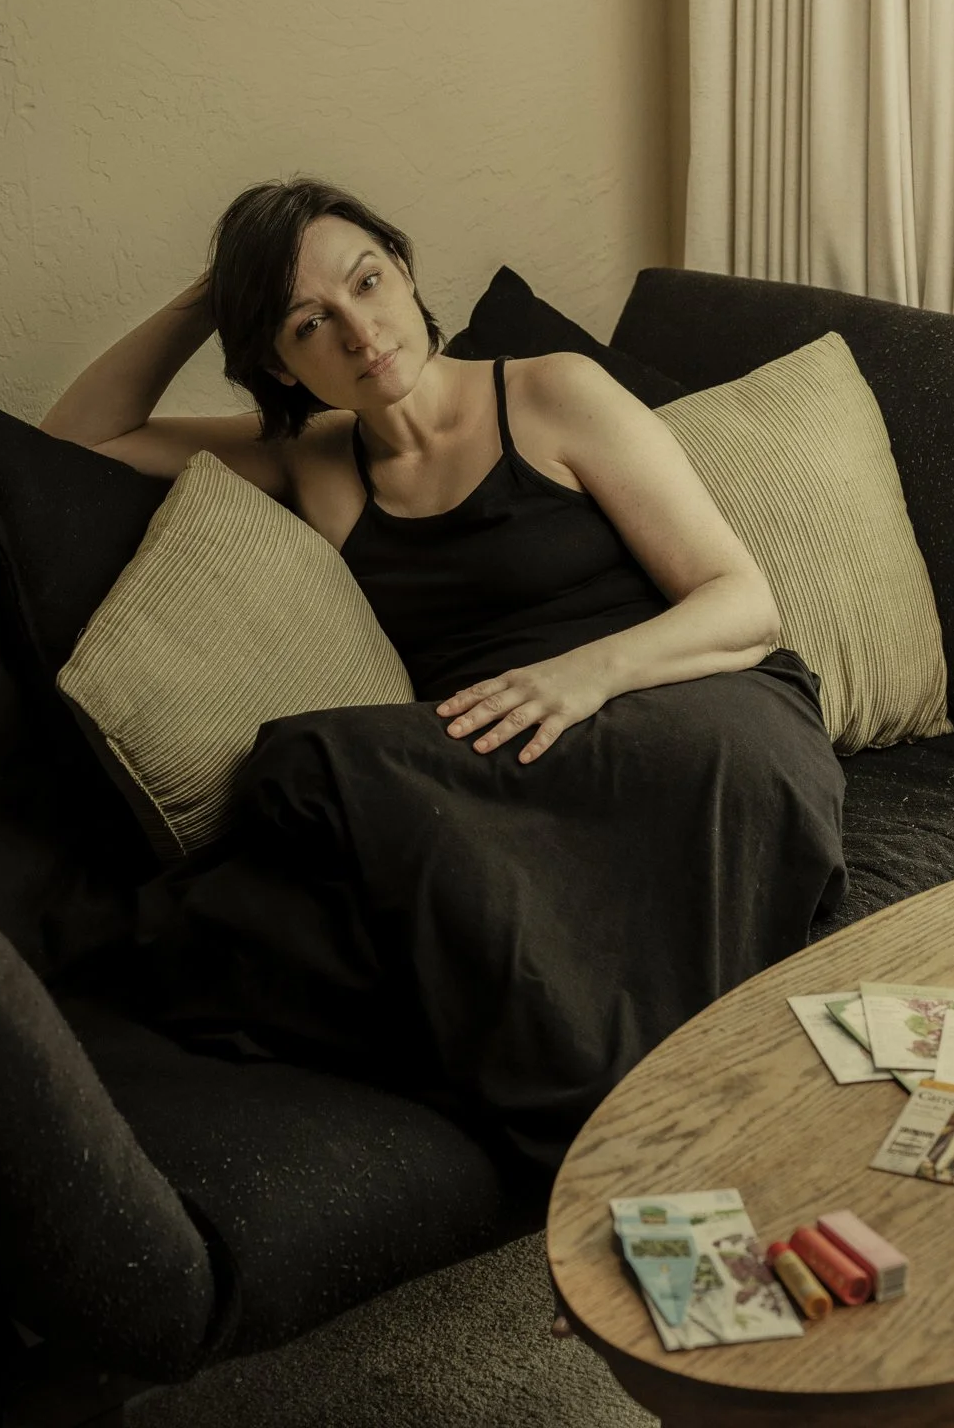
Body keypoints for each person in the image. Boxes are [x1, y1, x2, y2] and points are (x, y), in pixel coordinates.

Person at [42, 178, 846, 1165]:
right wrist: (215, 293)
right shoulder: (313, 462)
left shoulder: (550, 391)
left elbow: (742, 602)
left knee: (332, 776)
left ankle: (601, 1079)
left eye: (367, 281)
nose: (358, 329)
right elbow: (78, 439)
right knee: (310, 774)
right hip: (498, 765)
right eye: (308, 322)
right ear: (275, 363)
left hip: (687, 698)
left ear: (406, 271)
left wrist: (582, 678)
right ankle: (604, 1082)